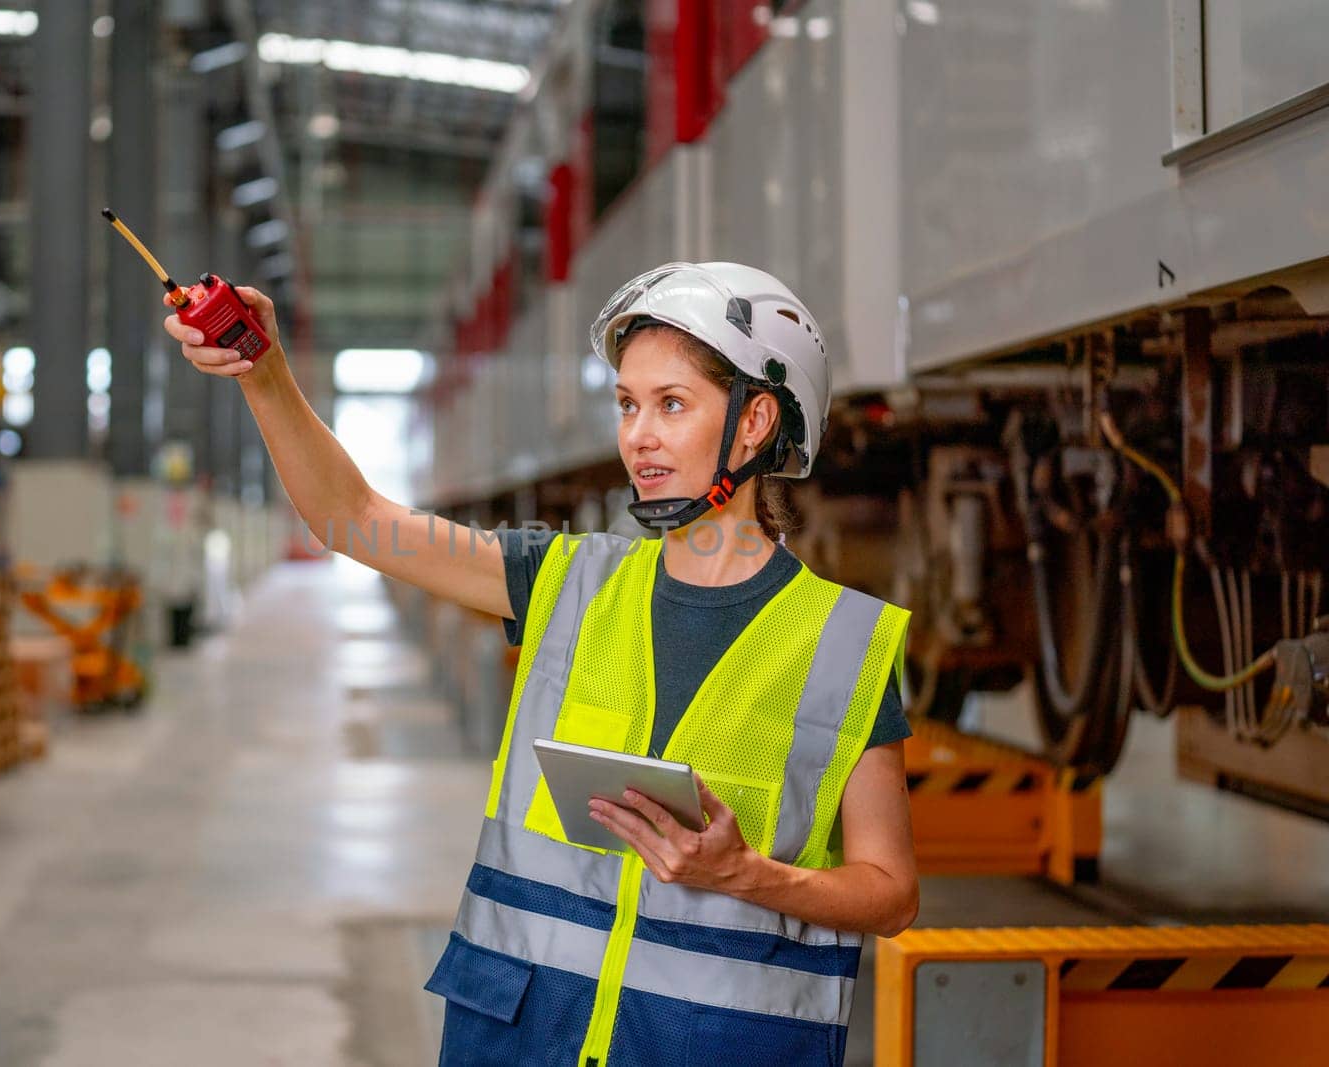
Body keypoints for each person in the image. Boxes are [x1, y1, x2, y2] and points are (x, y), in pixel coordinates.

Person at [165, 261, 917, 1067]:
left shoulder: (843, 642)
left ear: (755, 420)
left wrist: (747, 874)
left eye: (672, 405)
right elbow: (353, 520)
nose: (639, 436)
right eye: (628, 404)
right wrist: (264, 372)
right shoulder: (563, 581)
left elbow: (890, 891)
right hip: (523, 1041)